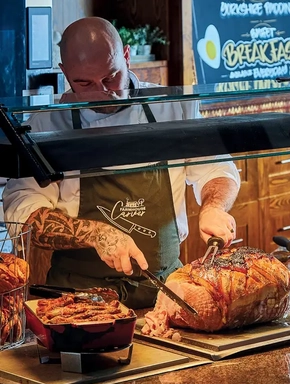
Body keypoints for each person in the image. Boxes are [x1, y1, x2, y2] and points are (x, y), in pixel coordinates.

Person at [2, 17, 241, 309]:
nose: (102, 92)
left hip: (167, 294)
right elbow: (22, 210)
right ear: (64, 72)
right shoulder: (45, 125)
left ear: (126, 56)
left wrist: (213, 207)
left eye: (111, 77)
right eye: (84, 83)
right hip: (78, 299)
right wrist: (96, 233)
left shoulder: (171, 107)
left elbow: (217, 167)